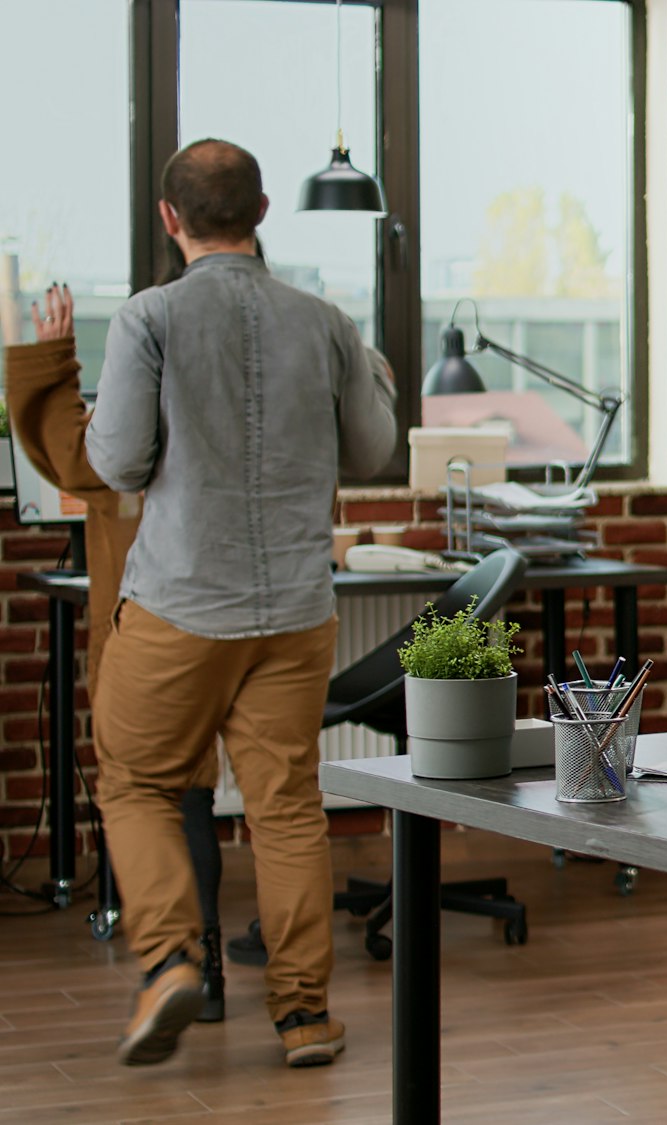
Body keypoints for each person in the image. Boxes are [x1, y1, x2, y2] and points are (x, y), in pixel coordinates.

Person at [84, 138, 397, 1068]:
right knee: (288, 806)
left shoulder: (148, 320)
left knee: (134, 780)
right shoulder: (326, 321)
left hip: (181, 603)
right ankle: (304, 1016)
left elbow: (117, 463)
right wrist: (371, 372)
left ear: (169, 219)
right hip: (296, 611)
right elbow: (370, 454)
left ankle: (175, 957)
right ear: (262, 213)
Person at [7, 283, 234, 1022]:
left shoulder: (123, 442)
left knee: (146, 797)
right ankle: (233, 982)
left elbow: (67, 453)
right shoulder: (224, 417)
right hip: (233, 626)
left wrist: (54, 355)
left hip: (148, 637)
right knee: (204, 799)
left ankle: (178, 965)